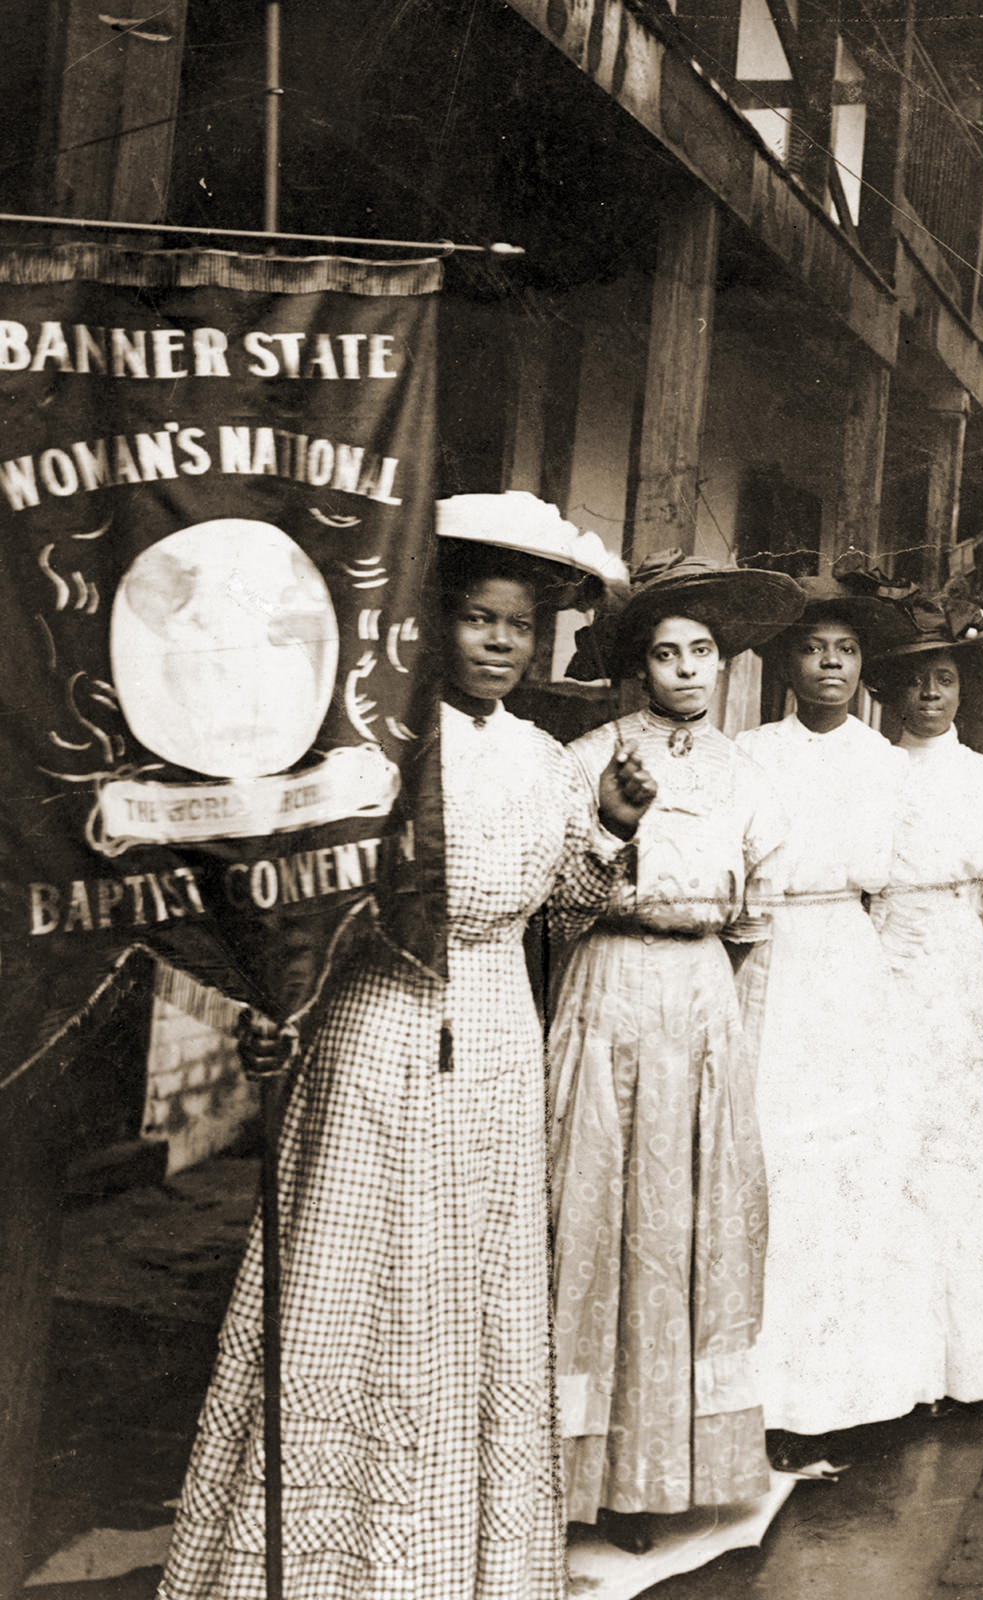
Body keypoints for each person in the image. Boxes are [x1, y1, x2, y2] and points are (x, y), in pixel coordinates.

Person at [159, 491, 656, 1600]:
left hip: (494, 1034)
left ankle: (461, 1564)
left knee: (473, 1281)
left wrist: (613, 824)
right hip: (379, 1020)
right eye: (477, 619)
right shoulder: (375, 741)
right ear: (434, 623)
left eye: (516, 627)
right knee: (360, 1267)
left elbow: (560, 906)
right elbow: (296, 891)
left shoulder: (543, 758)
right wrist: (271, 1002)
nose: (496, 643)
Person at [548, 550, 801, 1553]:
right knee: (593, 1214)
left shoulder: (748, 775)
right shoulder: (587, 760)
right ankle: (582, 1471)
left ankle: (667, 1471)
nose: (687, 671)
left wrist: (734, 1048)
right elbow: (560, 899)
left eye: (701, 652)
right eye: (666, 653)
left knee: (682, 1224)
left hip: (701, 999)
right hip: (608, 984)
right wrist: (614, 825)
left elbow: (759, 925)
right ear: (636, 666)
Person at [734, 570, 944, 1460]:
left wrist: (888, 996)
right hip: (771, 965)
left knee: (854, 1169)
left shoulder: (887, 764)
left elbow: (900, 893)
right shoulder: (748, 755)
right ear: (786, 662)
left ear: (864, 667)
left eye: (845, 651)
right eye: (812, 649)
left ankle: (859, 1389)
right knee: (774, 1162)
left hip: (850, 972)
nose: (828, 664)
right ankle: (767, 1395)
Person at [864, 584, 983, 1405]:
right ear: (887, 690)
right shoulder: (872, 770)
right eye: (915, 681)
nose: (929, 695)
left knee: (959, 1162)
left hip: (961, 973)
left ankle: (962, 1362)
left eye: (945, 680)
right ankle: (898, 1368)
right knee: (890, 1155)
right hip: (884, 963)